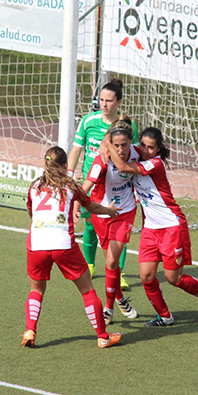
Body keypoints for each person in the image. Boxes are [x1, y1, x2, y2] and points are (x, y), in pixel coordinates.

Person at [106, 127, 198, 326]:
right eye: (142, 145)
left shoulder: (155, 163)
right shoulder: (135, 153)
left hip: (172, 226)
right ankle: (165, 316)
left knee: (173, 278)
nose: (145, 150)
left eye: (151, 147)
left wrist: (107, 142)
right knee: (147, 275)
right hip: (150, 228)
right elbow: (120, 149)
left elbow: (123, 168)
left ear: (158, 149)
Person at [23, 146, 122, 349]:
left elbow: (32, 213)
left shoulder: (34, 187)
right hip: (63, 245)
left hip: (37, 244)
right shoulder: (71, 186)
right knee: (87, 291)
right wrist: (109, 211)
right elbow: (92, 207)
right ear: (66, 166)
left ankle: (30, 330)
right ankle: (103, 336)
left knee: (36, 290)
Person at [67, 78, 138, 288]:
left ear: (119, 103)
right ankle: (90, 264)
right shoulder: (88, 121)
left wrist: (135, 187)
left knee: (120, 232)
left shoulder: (127, 126)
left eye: (109, 100)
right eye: (101, 100)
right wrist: (71, 176)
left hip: (119, 185)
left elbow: (133, 157)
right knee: (90, 224)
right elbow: (76, 150)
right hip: (93, 184)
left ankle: (118, 273)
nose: (104, 104)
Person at [80, 117, 139, 325]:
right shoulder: (102, 161)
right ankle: (120, 299)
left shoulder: (136, 154)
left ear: (131, 142)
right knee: (110, 264)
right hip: (102, 213)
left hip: (125, 212)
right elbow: (85, 187)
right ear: (110, 145)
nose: (121, 149)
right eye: (116, 145)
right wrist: (76, 207)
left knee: (113, 261)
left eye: (124, 145)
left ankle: (108, 308)